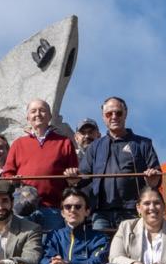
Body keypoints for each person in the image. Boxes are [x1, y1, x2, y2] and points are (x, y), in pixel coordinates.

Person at [67, 96, 161, 233]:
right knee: (101, 246)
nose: (114, 117)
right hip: (101, 213)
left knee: (132, 246)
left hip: (132, 211)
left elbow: (156, 175)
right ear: (103, 117)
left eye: (118, 113)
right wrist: (73, 178)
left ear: (125, 114)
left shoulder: (143, 144)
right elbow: (83, 176)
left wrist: (152, 179)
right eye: (109, 114)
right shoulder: (95, 146)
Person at [1, 99, 79, 231]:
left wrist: (72, 177)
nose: (38, 114)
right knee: (23, 243)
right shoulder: (18, 144)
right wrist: (13, 180)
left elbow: (74, 173)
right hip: (24, 209)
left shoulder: (64, 142)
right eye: (33, 111)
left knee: (52, 243)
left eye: (42, 110)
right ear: (28, 117)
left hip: (53, 208)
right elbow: (7, 173)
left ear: (50, 116)